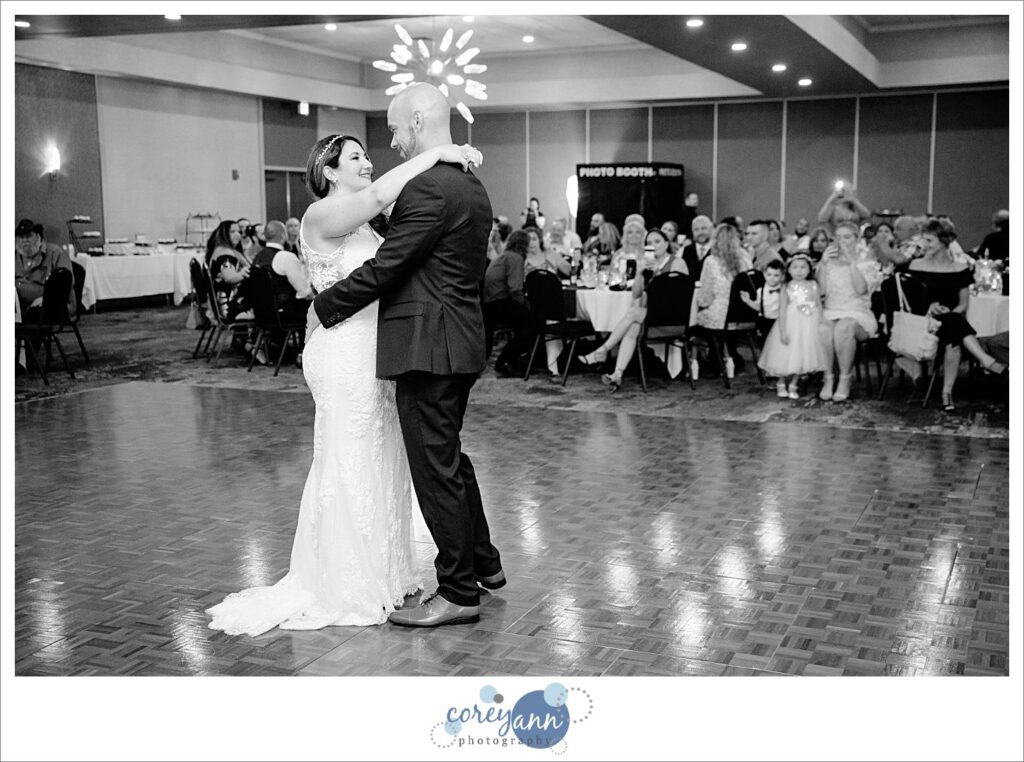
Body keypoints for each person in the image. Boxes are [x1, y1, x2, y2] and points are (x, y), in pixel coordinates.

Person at [207, 108, 495, 634]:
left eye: (371, 150)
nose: (370, 158)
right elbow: (382, 205)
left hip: (387, 349)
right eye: (357, 156)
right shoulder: (322, 214)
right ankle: (345, 579)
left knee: (392, 459)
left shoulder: (370, 219)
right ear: (331, 172)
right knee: (350, 458)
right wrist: (435, 152)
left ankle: (386, 570)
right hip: (344, 352)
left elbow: (397, 254)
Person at [308, 83, 503, 628]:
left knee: (434, 470)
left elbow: (388, 266)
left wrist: (325, 305)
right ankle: (484, 564)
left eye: (394, 129)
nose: (390, 143)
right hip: (457, 340)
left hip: (428, 348)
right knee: (451, 461)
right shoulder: (470, 183)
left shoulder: (429, 188)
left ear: (418, 122)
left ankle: (459, 591)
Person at [908, 218, 1007, 412]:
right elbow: (912, 303)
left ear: (944, 241)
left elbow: (963, 305)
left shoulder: (960, 269)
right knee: (954, 329)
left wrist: (949, 312)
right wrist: (930, 308)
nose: (924, 245)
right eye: (924, 240)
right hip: (923, 322)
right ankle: (985, 361)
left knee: (952, 333)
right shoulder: (916, 265)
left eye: (930, 241)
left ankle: (947, 392)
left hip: (949, 323)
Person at [578, 228, 688, 391]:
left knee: (633, 313)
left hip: (672, 317)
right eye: (649, 243)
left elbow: (676, 294)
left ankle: (602, 351)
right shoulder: (646, 265)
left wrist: (657, 272)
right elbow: (636, 295)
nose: (653, 246)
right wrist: (639, 273)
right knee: (633, 325)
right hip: (650, 318)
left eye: (657, 242)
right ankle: (617, 374)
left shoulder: (677, 262)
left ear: (666, 244)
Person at [816, 220, 883, 402]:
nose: (842, 241)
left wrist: (852, 263)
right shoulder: (828, 263)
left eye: (847, 237)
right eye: (837, 237)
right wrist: (822, 264)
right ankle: (828, 377)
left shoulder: (867, 263)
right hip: (831, 310)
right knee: (823, 328)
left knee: (844, 327)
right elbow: (821, 291)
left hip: (857, 313)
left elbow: (861, 290)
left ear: (856, 239)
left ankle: (845, 378)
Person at [757, 254, 829, 399]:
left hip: (808, 324)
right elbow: (782, 310)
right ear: (788, 270)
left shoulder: (813, 285)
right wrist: (783, 331)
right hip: (791, 323)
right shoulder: (786, 286)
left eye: (803, 267)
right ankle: (781, 382)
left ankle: (794, 384)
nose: (799, 271)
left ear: (809, 269)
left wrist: (821, 322)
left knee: (802, 354)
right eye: (795, 267)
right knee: (785, 353)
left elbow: (818, 305)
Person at [483, 230, 537, 376]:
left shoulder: (504, 256)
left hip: (488, 304)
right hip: (499, 303)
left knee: (524, 321)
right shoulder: (516, 258)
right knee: (534, 323)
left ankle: (514, 360)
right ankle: (505, 360)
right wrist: (525, 303)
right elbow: (515, 289)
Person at [251, 219, 311, 325]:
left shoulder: (257, 257)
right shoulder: (286, 257)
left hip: (262, 313)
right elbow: (303, 290)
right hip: (285, 314)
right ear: (284, 235)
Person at [15, 219, 77, 319]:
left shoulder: (55, 253)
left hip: (54, 304)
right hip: (21, 307)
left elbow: (66, 283)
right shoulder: (14, 256)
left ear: (39, 237)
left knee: (34, 315)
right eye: (21, 237)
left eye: (29, 236)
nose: (24, 240)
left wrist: (46, 299)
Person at [205, 220, 252, 321]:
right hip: (227, 306)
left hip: (223, 302)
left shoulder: (222, 250)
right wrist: (242, 274)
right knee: (266, 309)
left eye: (238, 232)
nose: (237, 235)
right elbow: (229, 278)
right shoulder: (224, 254)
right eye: (232, 232)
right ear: (224, 234)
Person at [740, 258, 785, 339]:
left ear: (782, 276)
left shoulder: (784, 290)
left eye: (776, 275)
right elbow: (759, 307)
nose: (772, 278)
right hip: (764, 322)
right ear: (764, 274)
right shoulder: (760, 291)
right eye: (769, 274)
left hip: (778, 322)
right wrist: (748, 301)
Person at [680, 215, 714, 280]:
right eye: (696, 229)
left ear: (711, 230)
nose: (700, 232)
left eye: (703, 228)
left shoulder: (718, 251)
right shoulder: (683, 251)